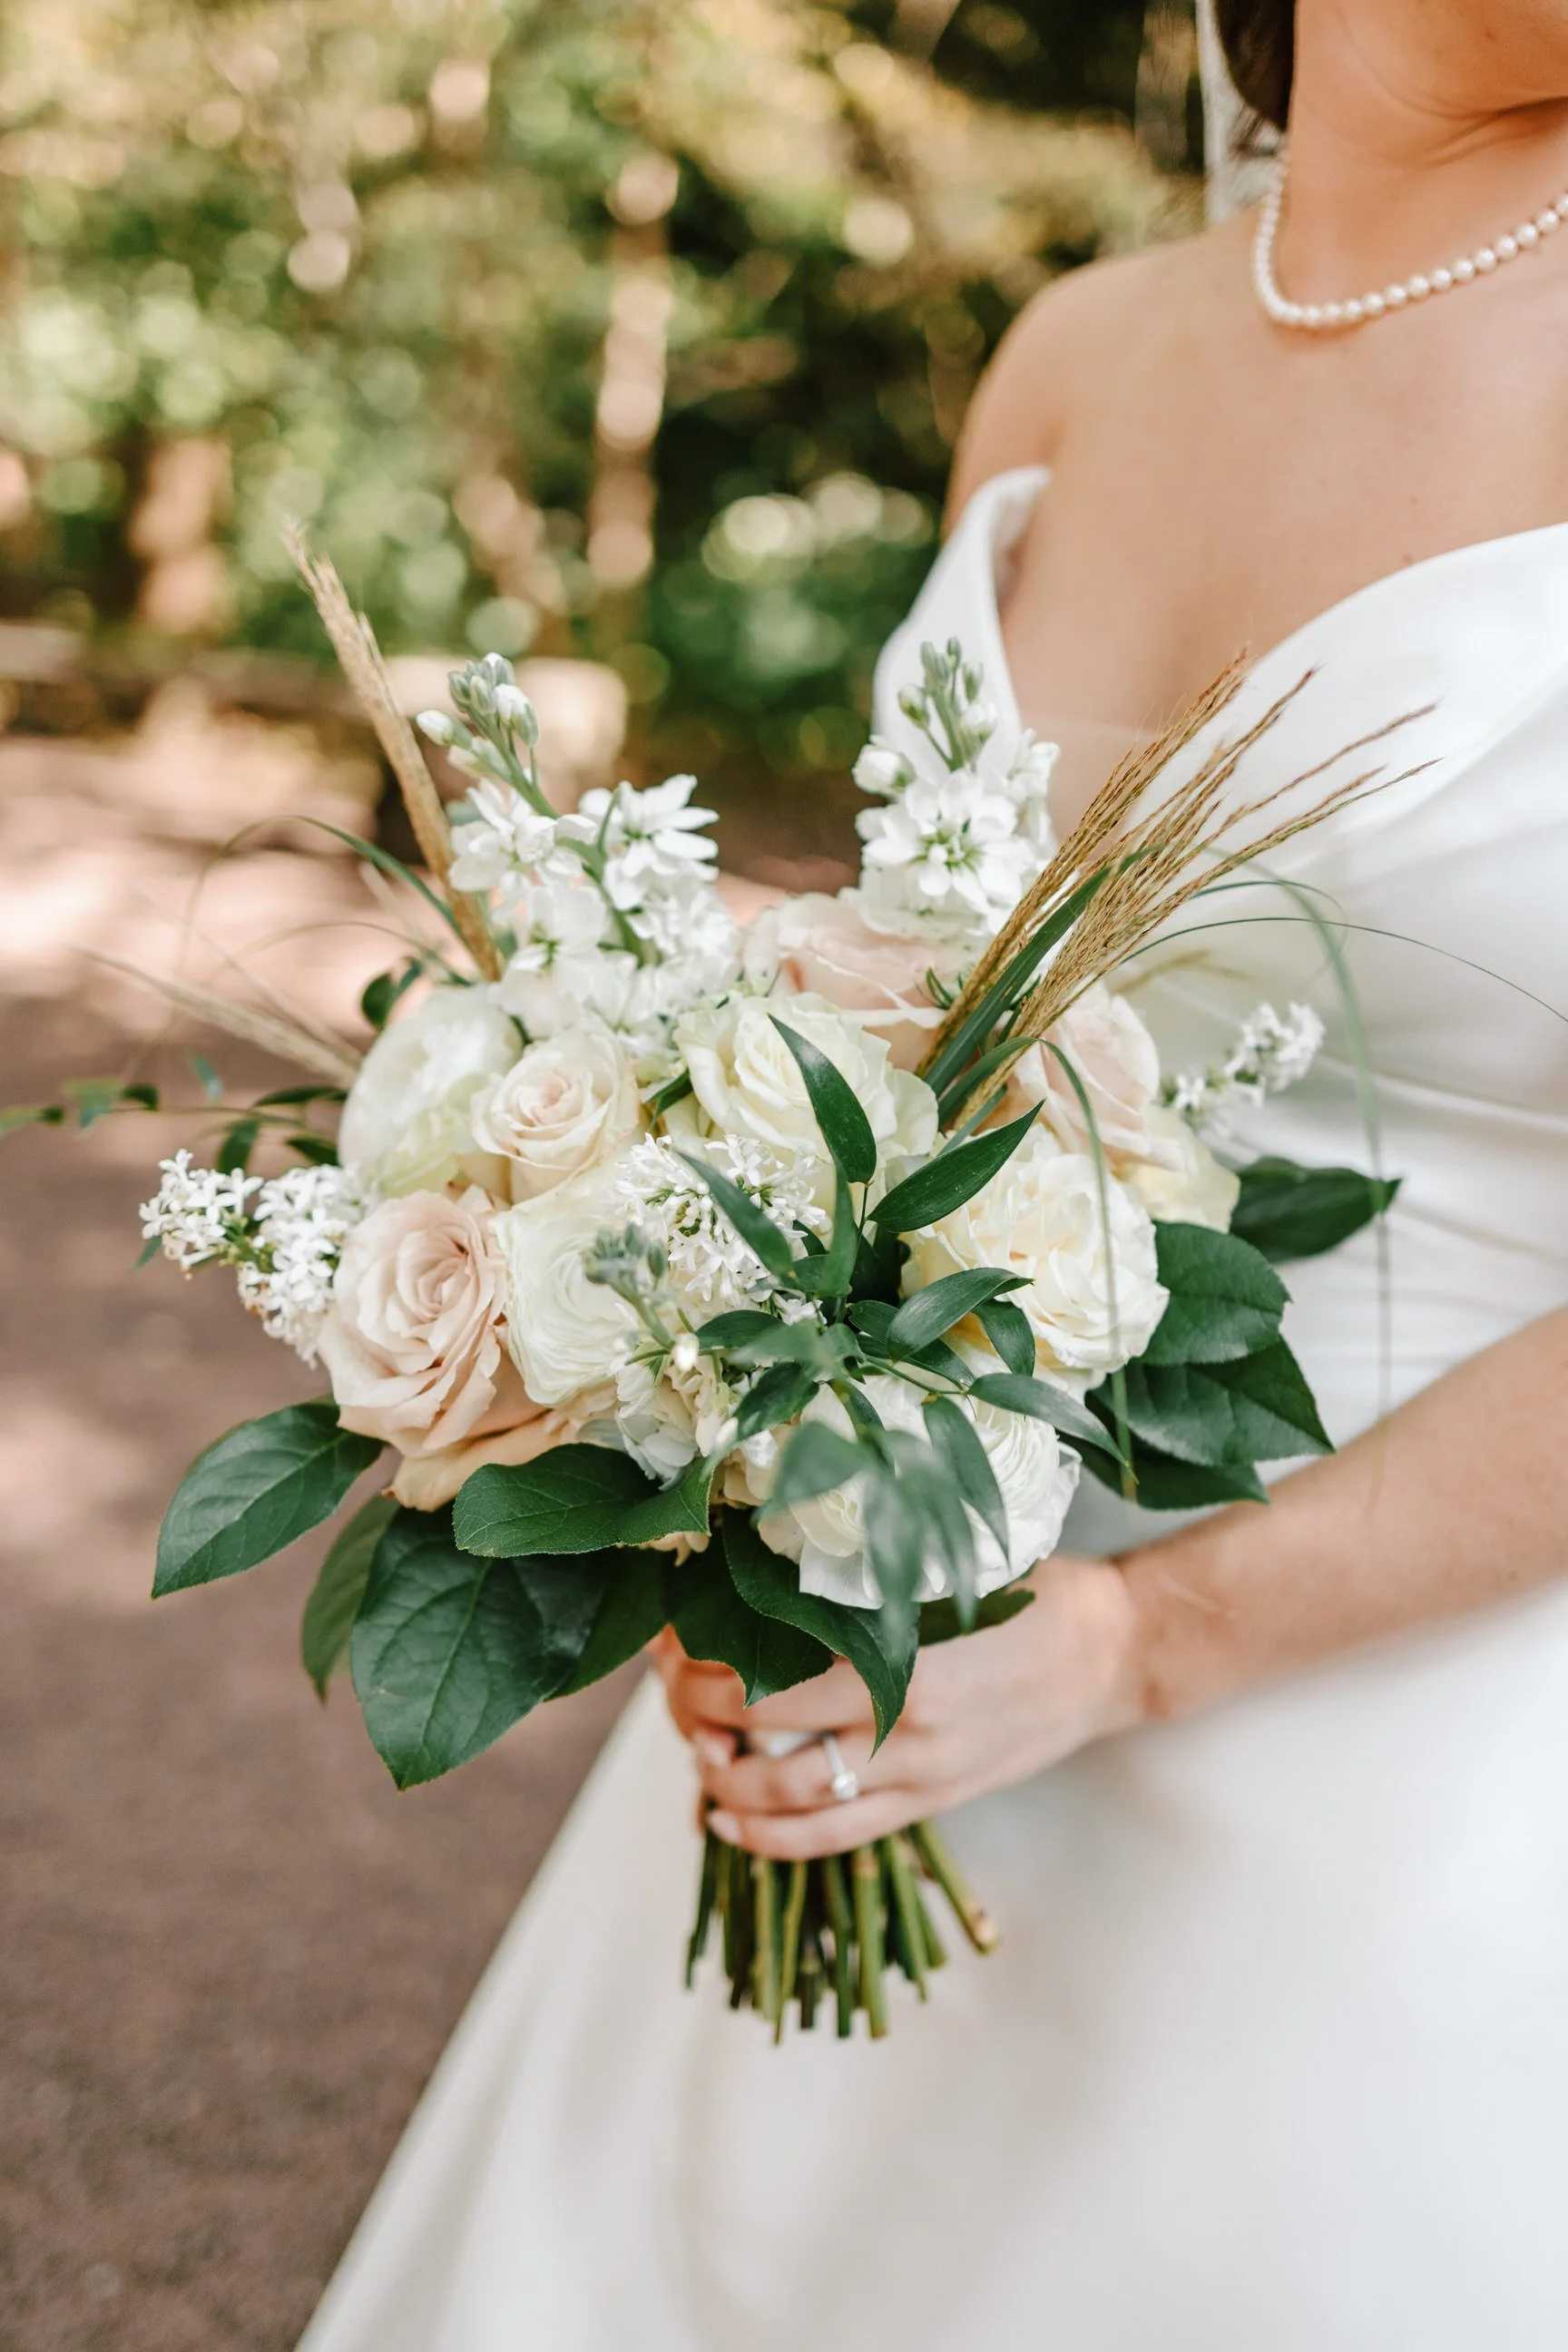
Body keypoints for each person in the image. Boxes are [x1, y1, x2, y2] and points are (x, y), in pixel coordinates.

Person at [299, 4, 1568, 2344]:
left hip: (1446, 1730)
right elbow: (922, 965)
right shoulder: (1083, 351)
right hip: (879, 1624)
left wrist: (1143, 1638)